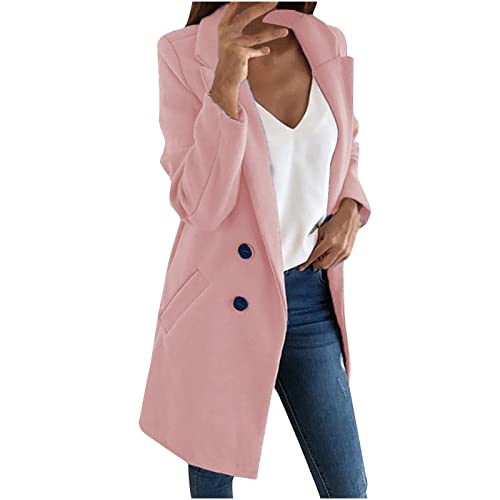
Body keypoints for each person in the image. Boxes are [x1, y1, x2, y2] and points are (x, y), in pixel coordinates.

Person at [139, 2, 371, 497]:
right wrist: (224, 84)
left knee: (349, 488)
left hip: (308, 297)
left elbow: (346, 141)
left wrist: (352, 205)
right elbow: (198, 203)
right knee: (213, 484)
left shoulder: (323, 40)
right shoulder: (183, 54)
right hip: (220, 304)